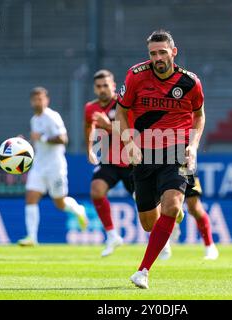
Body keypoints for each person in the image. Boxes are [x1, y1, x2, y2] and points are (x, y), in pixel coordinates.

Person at [115, 30, 205, 288]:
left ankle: (143, 271)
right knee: (147, 224)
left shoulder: (190, 82)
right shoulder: (135, 76)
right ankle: (171, 220)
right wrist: (128, 142)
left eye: (162, 52)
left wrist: (194, 145)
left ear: (173, 52)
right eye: (153, 53)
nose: (157, 58)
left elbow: (199, 116)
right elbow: (120, 112)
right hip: (144, 153)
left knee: (173, 206)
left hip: (177, 150)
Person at [18, 87, 88, 246]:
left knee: (60, 203)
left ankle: (78, 210)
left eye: (41, 99)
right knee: (30, 197)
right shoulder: (34, 120)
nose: (38, 102)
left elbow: (63, 139)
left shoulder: (52, 116)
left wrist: (41, 137)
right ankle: (31, 237)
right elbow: (38, 142)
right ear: (31, 102)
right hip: (39, 165)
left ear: (46, 100)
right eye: (35, 99)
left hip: (55, 166)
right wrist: (23, 143)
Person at [84, 70, 134, 257]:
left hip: (131, 161)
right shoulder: (90, 108)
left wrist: (107, 125)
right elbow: (88, 127)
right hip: (109, 160)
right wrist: (89, 149)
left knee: (146, 205)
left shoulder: (123, 105)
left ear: (114, 86)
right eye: (99, 86)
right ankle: (112, 236)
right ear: (95, 89)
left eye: (106, 85)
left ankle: (164, 239)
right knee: (96, 190)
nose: (102, 89)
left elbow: (130, 133)